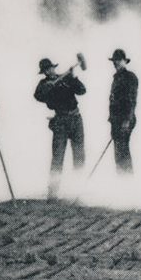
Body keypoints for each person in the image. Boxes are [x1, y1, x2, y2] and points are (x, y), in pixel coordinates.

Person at [34, 56, 86, 199]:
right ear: (43, 72)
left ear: (54, 67)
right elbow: (38, 96)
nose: (49, 71)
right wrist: (48, 87)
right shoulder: (43, 84)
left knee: (79, 156)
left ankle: (79, 192)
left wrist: (73, 78)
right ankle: (53, 193)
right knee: (58, 157)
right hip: (60, 121)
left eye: (50, 68)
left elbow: (82, 90)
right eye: (46, 70)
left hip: (76, 119)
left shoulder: (66, 78)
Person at [108, 49, 138, 174]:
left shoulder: (130, 77)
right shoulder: (116, 78)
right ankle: (121, 181)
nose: (116, 63)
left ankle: (128, 182)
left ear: (125, 61)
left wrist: (126, 120)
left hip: (125, 119)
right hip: (116, 120)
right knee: (118, 152)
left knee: (123, 150)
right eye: (114, 61)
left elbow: (132, 100)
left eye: (119, 60)